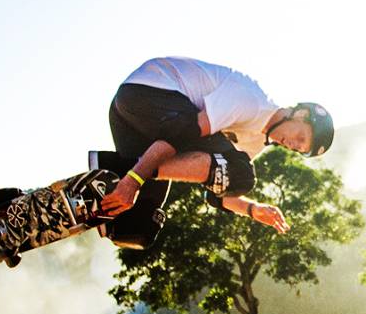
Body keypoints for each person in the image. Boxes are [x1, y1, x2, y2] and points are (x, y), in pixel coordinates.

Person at [99, 57, 335, 249]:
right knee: (242, 174)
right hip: (147, 93)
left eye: (298, 149)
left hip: (137, 119)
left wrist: (253, 210)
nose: (293, 145)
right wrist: (134, 178)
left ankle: (92, 198)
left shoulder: (254, 144)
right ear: (301, 115)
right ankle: (123, 169)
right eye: (300, 138)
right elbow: (183, 133)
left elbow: (218, 192)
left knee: (138, 229)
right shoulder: (250, 101)